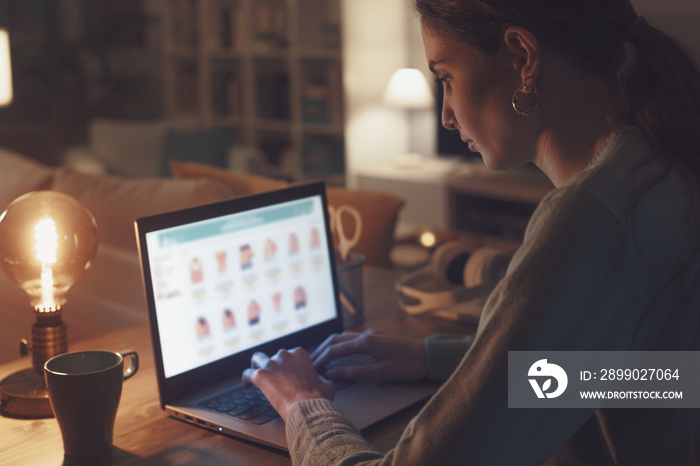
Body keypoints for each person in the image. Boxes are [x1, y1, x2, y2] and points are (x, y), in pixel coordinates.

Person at [242, 0, 700, 464]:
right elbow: (655, 378)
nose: (445, 114)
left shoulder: (593, 219)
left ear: (523, 58)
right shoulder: (655, 171)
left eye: (445, 78)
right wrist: (450, 360)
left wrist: (303, 403)